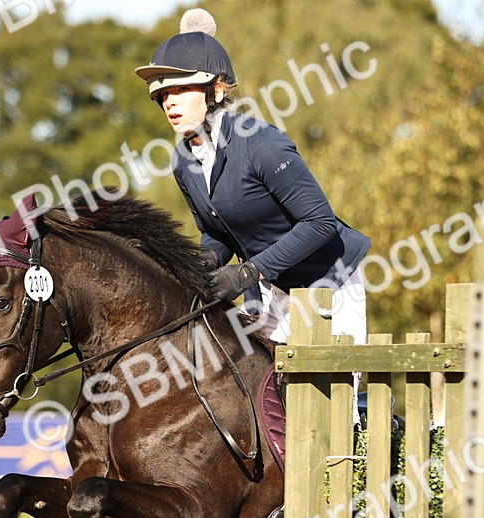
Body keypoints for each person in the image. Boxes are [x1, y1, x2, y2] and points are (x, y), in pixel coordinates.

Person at [135, 9, 371, 345]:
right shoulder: (183, 162)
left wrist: (248, 271)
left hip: (328, 283)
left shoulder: (262, 143)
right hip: (267, 290)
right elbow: (217, 231)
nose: (169, 103)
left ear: (215, 91)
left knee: (333, 395)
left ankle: (359, 401)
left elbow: (320, 223)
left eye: (180, 90)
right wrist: (208, 259)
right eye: (162, 96)